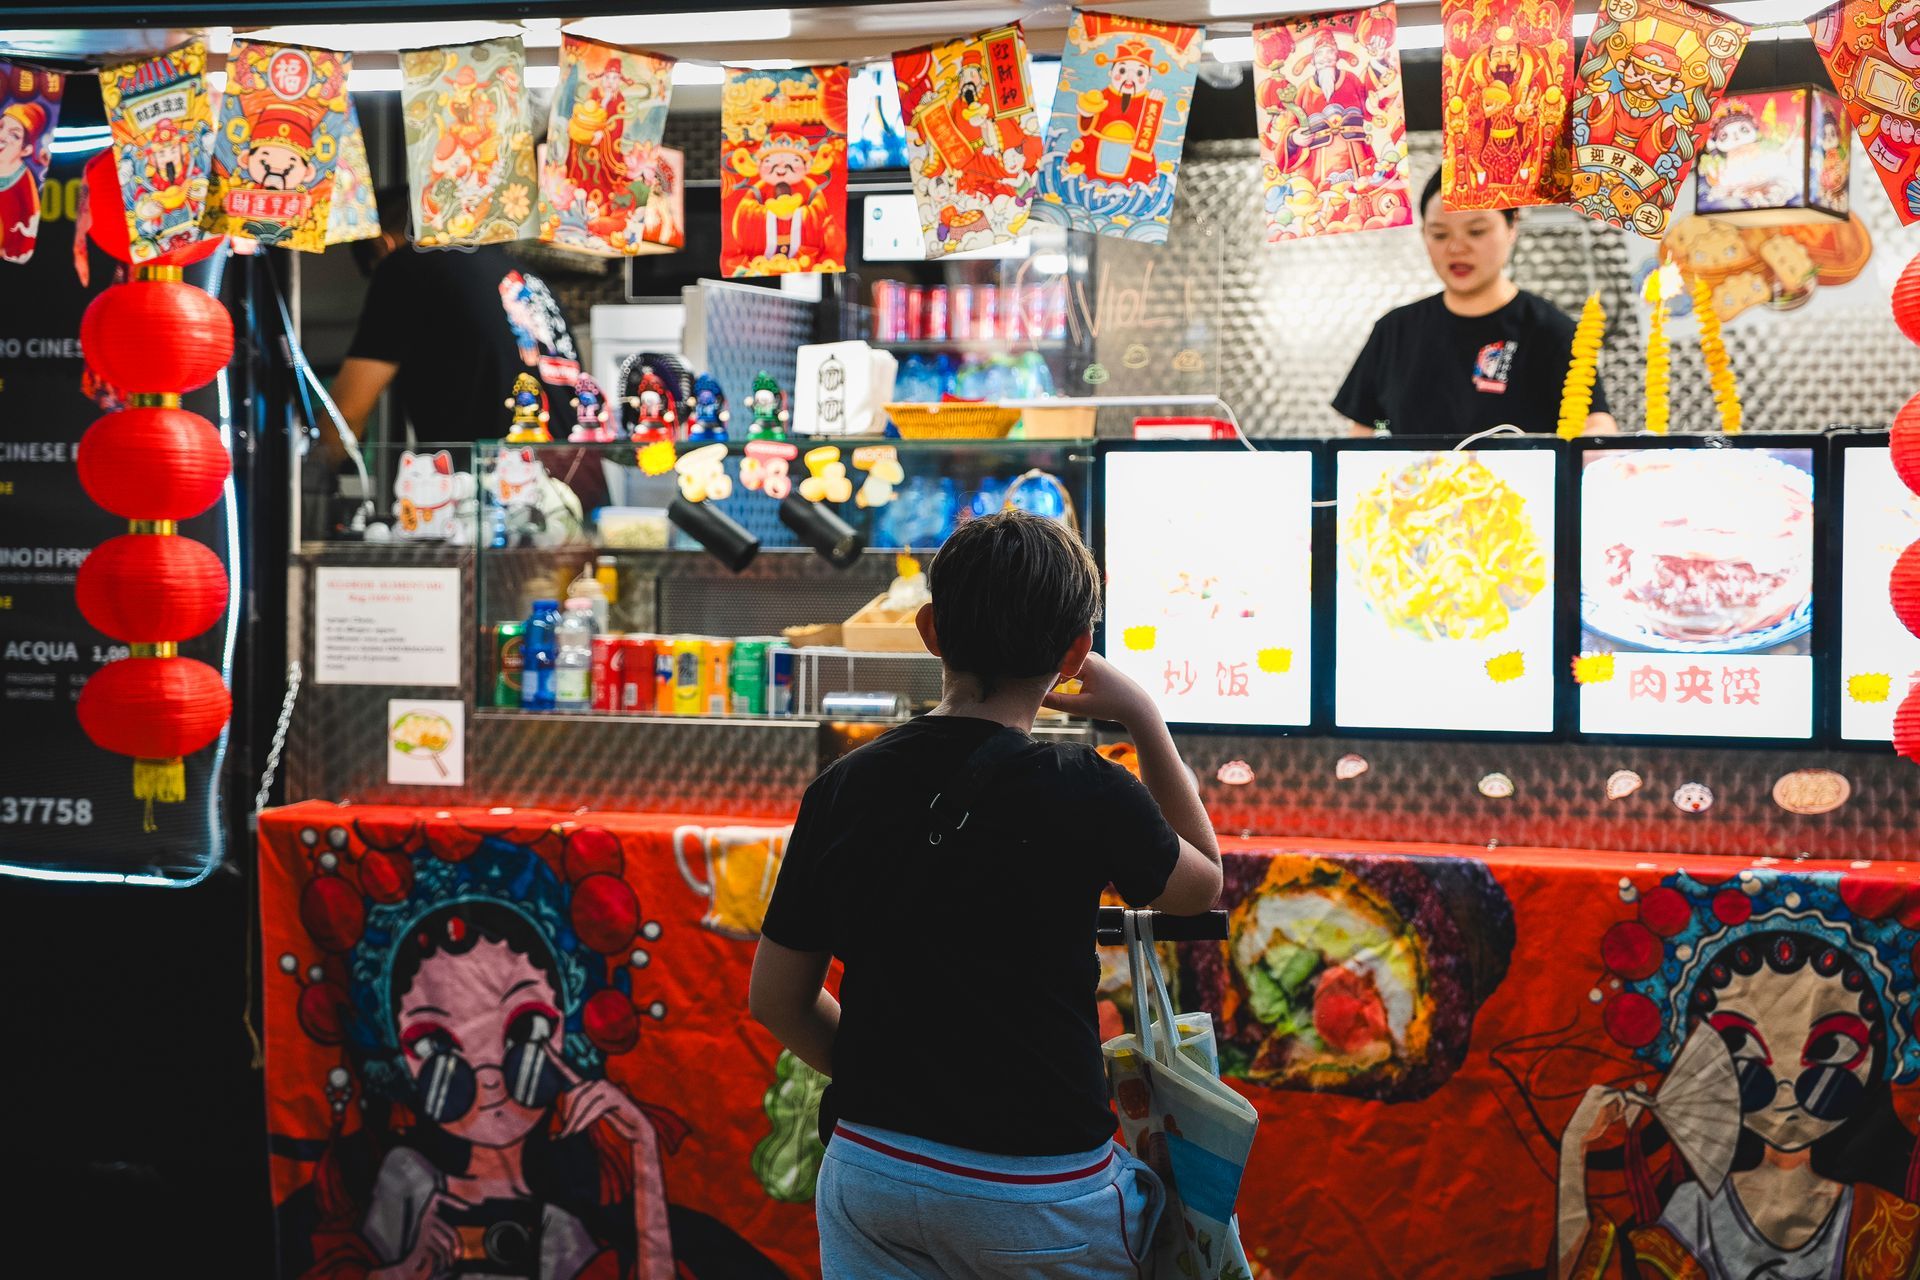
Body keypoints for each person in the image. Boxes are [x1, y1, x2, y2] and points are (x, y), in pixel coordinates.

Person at [748, 510, 1224, 1279]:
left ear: (931, 631)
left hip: (872, 1171)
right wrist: (1141, 715)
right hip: (1040, 1191)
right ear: (1074, 654)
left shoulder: (842, 787)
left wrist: (897, 1089)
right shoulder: (1089, 788)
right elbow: (1201, 885)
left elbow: (776, 999)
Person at [327, 188, 605, 509]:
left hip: (504, 503)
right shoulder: (524, 274)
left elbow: (345, 415)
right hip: (580, 495)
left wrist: (309, 486)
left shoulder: (403, 267)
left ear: (382, 244)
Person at [1335, 169, 1617, 437]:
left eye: (1477, 231)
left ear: (1512, 226)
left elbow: (1597, 423)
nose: (1457, 248)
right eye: (1440, 234)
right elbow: (1361, 435)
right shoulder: (1394, 330)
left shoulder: (1551, 330)